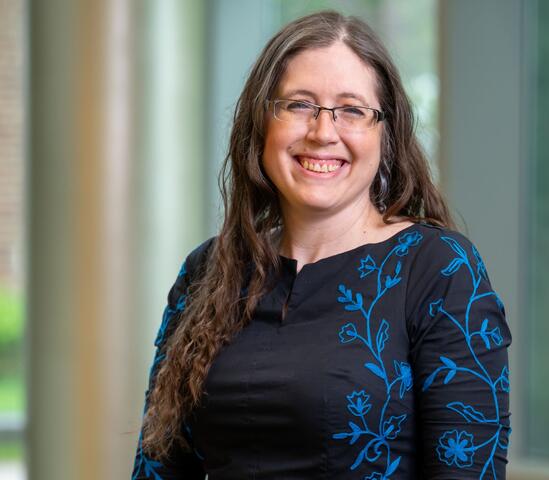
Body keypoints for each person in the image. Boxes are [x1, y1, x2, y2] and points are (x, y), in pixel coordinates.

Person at [131, 10, 511, 480]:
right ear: (261, 122)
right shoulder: (206, 270)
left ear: (385, 134)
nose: (323, 132)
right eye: (299, 105)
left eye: (352, 110)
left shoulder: (439, 269)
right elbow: (157, 467)